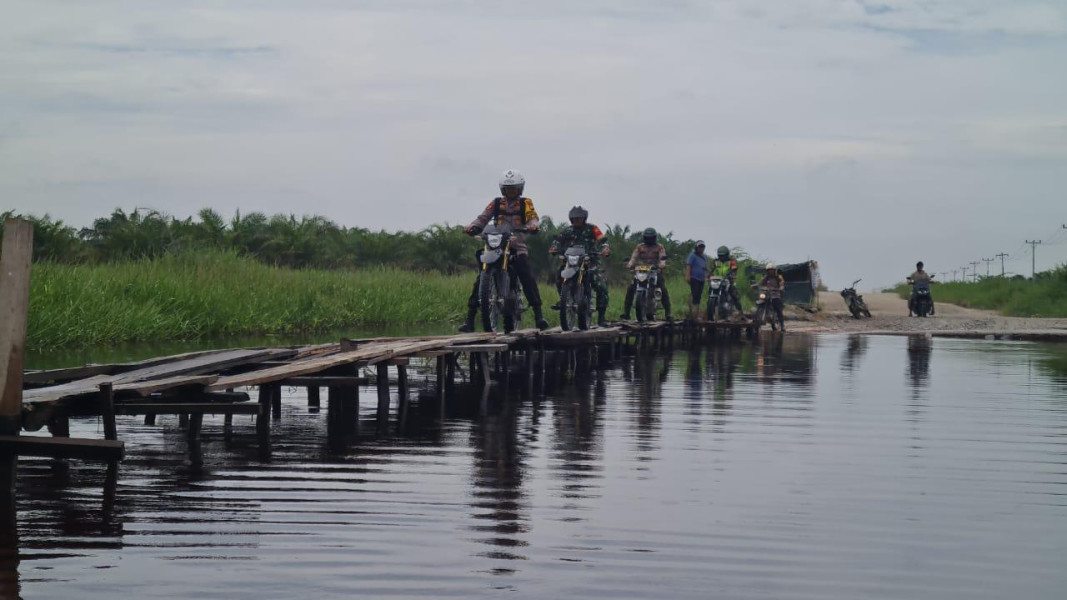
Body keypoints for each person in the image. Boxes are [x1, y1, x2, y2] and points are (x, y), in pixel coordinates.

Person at [461, 169, 549, 331]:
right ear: (503, 189)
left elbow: (532, 216)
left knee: (526, 276)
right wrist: (473, 226)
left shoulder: (525, 203)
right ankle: (470, 319)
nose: (511, 191)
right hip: (496, 245)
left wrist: (532, 225)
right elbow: (483, 218)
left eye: (514, 188)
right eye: (508, 189)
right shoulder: (495, 203)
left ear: (520, 189)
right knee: (481, 278)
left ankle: (539, 315)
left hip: (517, 246)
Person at [549, 206, 612, 327]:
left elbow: (602, 239)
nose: (577, 220)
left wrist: (605, 248)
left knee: (600, 285)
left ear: (584, 218)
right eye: (574, 218)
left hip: (590, 260)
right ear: (571, 219)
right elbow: (558, 240)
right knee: (559, 276)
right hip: (571, 261)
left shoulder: (592, 228)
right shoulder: (567, 230)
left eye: (579, 218)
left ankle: (601, 317)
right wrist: (554, 247)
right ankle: (565, 299)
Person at [621, 227, 672, 321]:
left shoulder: (659, 247)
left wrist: (661, 264)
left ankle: (668, 313)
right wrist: (630, 264)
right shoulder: (640, 247)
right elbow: (634, 257)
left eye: (651, 238)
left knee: (663, 288)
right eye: (647, 238)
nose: (649, 240)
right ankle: (626, 312)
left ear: (655, 238)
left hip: (655, 271)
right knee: (630, 288)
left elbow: (662, 257)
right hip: (642, 270)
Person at [709, 245, 744, 315]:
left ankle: (740, 311)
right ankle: (710, 309)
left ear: (727, 255)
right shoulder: (716, 261)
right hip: (718, 280)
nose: (722, 257)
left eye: (723, 255)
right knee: (710, 291)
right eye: (720, 255)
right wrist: (709, 275)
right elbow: (711, 269)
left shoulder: (731, 261)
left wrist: (732, 273)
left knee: (734, 295)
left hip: (728, 280)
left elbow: (734, 269)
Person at [757, 263, 786, 331]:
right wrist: (756, 285)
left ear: (774, 270)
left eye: (772, 270)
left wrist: (781, 287)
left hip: (776, 294)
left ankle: (782, 325)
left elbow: (782, 283)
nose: (770, 271)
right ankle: (757, 319)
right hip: (767, 294)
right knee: (760, 301)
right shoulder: (766, 277)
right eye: (769, 270)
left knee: (778, 309)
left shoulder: (778, 277)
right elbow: (760, 283)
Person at [685, 241, 708, 308]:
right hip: (694, 278)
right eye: (700, 247)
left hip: (702, 279)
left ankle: (695, 311)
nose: (701, 248)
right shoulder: (692, 256)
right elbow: (688, 266)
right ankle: (693, 310)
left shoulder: (704, 257)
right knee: (695, 294)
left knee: (698, 296)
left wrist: (708, 275)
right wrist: (687, 276)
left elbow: (705, 268)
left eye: (702, 247)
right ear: (696, 247)